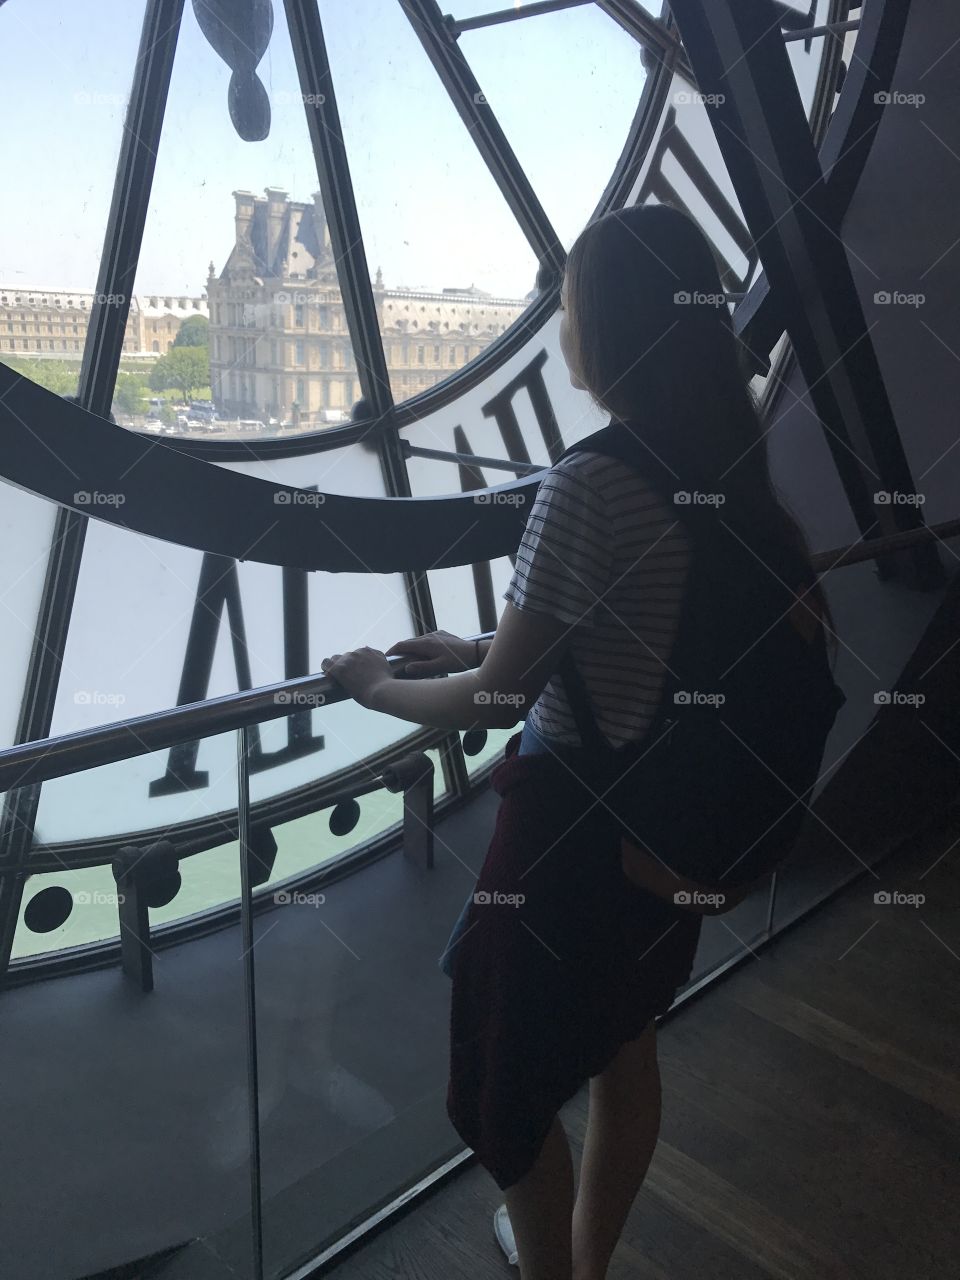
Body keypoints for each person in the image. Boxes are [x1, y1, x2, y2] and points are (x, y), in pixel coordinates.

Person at [321, 203, 833, 1280]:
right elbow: (639, 629)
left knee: (497, 1098)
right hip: (667, 837)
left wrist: (372, 685)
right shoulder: (729, 473)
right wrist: (488, 641)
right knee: (625, 1041)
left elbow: (497, 705)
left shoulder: (590, 482)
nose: (559, 331)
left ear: (603, 329)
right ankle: (585, 1264)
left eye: (567, 310)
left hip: (568, 844)